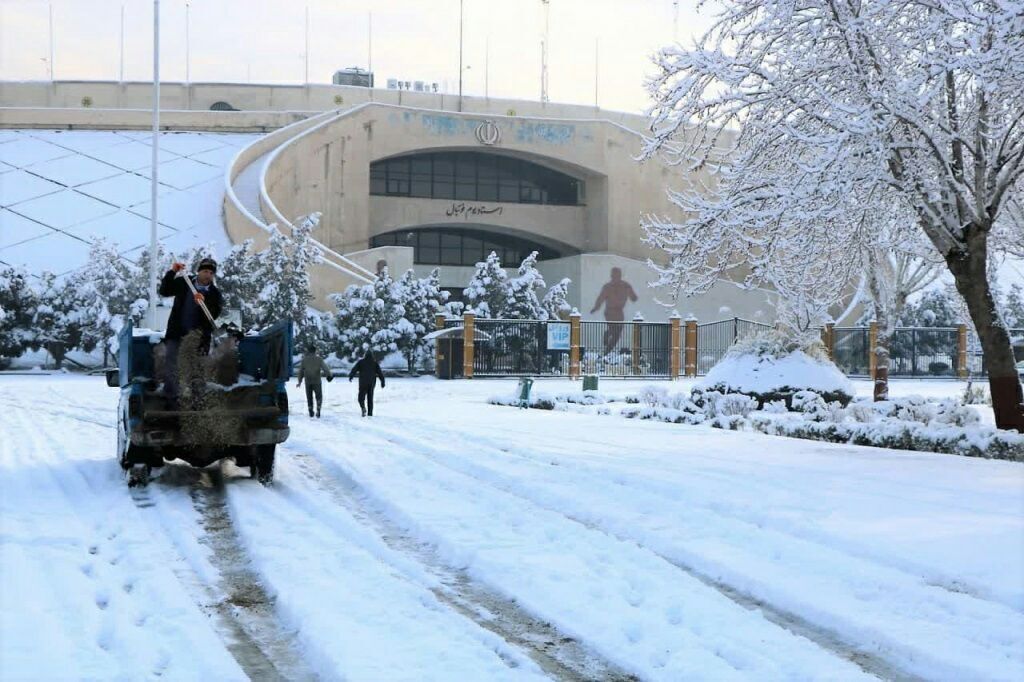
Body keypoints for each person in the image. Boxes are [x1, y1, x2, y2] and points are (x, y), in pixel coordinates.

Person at [159, 258, 222, 401]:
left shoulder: (214, 293)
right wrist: (172, 272)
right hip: (177, 333)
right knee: (172, 364)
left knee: (198, 368)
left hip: (199, 337)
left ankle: (197, 400)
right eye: (205, 271)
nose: (208, 275)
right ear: (199, 271)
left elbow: (214, 314)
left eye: (211, 273)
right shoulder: (184, 283)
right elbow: (164, 290)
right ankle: (171, 399)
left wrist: (204, 302)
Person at [590, 267, 638, 354]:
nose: (615, 277)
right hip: (610, 312)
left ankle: (607, 346)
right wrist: (595, 308)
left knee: (617, 334)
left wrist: (633, 296)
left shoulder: (626, 285)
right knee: (615, 332)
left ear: (619, 276)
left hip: (619, 313)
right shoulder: (607, 287)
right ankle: (607, 343)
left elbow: (633, 297)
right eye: (614, 275)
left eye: (617, 275)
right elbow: (600, 299)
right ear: (612, 276)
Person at [296, 344, 333, 418]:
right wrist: (329, 375)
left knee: (309, 396)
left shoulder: (304, 360)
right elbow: (325, 368)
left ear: (308, 351)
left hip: (308, 381)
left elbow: (300, 372)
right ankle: (318, 408)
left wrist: (299, 381)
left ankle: (310, 409)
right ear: (315, 351)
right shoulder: (319, 359)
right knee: (319, 396)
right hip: (317, 381)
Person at [348, 350, 385, 417]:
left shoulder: (361, 362)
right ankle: (370, 414)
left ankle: (363, 408)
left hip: (363, 383)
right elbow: (380, 373)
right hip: (371, 383)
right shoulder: (374, 363)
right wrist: (382, 382)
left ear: (365, 355)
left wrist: (351, 376)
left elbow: (354, 369)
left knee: (361, 398)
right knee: (370, 399)